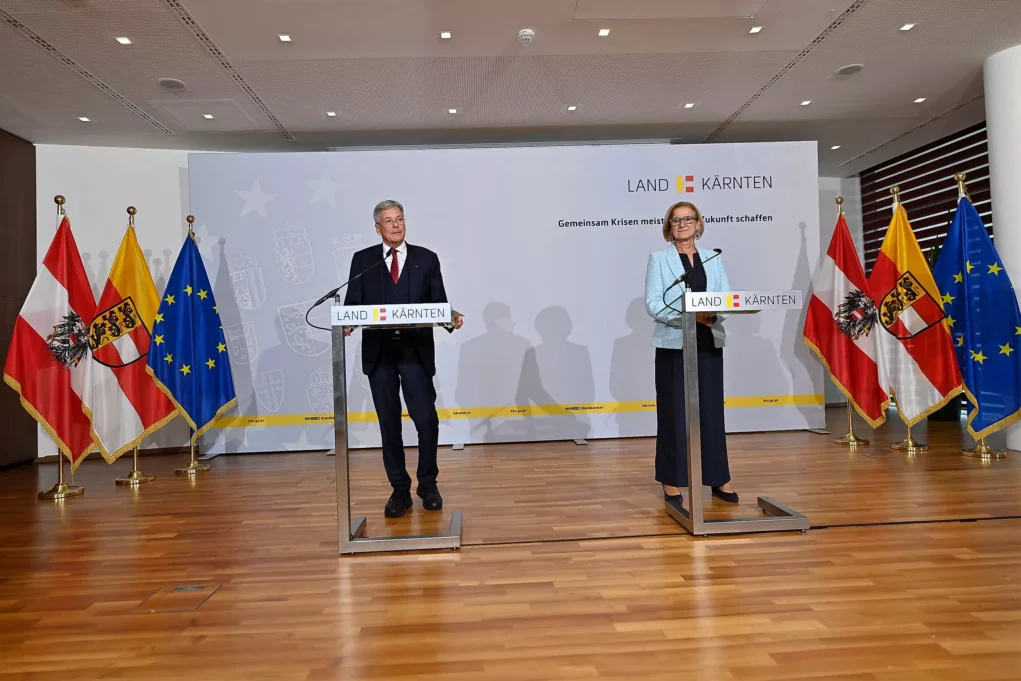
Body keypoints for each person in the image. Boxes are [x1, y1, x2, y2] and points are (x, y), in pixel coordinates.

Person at [343, 200, 463, 518]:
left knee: (426, 419)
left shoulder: (426, 259)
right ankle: (399, 490)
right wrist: (347, 323)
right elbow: (353, 304)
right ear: (377, 228)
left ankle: (428, 483)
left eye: (400, 219)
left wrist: (451, 317)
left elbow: (438, 303)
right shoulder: (363, 260)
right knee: (389, 425)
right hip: (379, 354)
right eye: (389, 221)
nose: (396, 225)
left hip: (415, 352)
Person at [644, 201, 738, 505]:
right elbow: (654, 304)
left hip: (708, 339)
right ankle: (672, 480)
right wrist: (687, 317)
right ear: (669, 228)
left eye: (688, 219)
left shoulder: (712, 258)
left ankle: (718, 477)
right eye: (676, 220)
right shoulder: (659, 259)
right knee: (674, 412)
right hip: (674, 344)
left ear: (699, 224)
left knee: (711, 411)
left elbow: (725, 296)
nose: (682, 224)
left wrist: (710, 314)